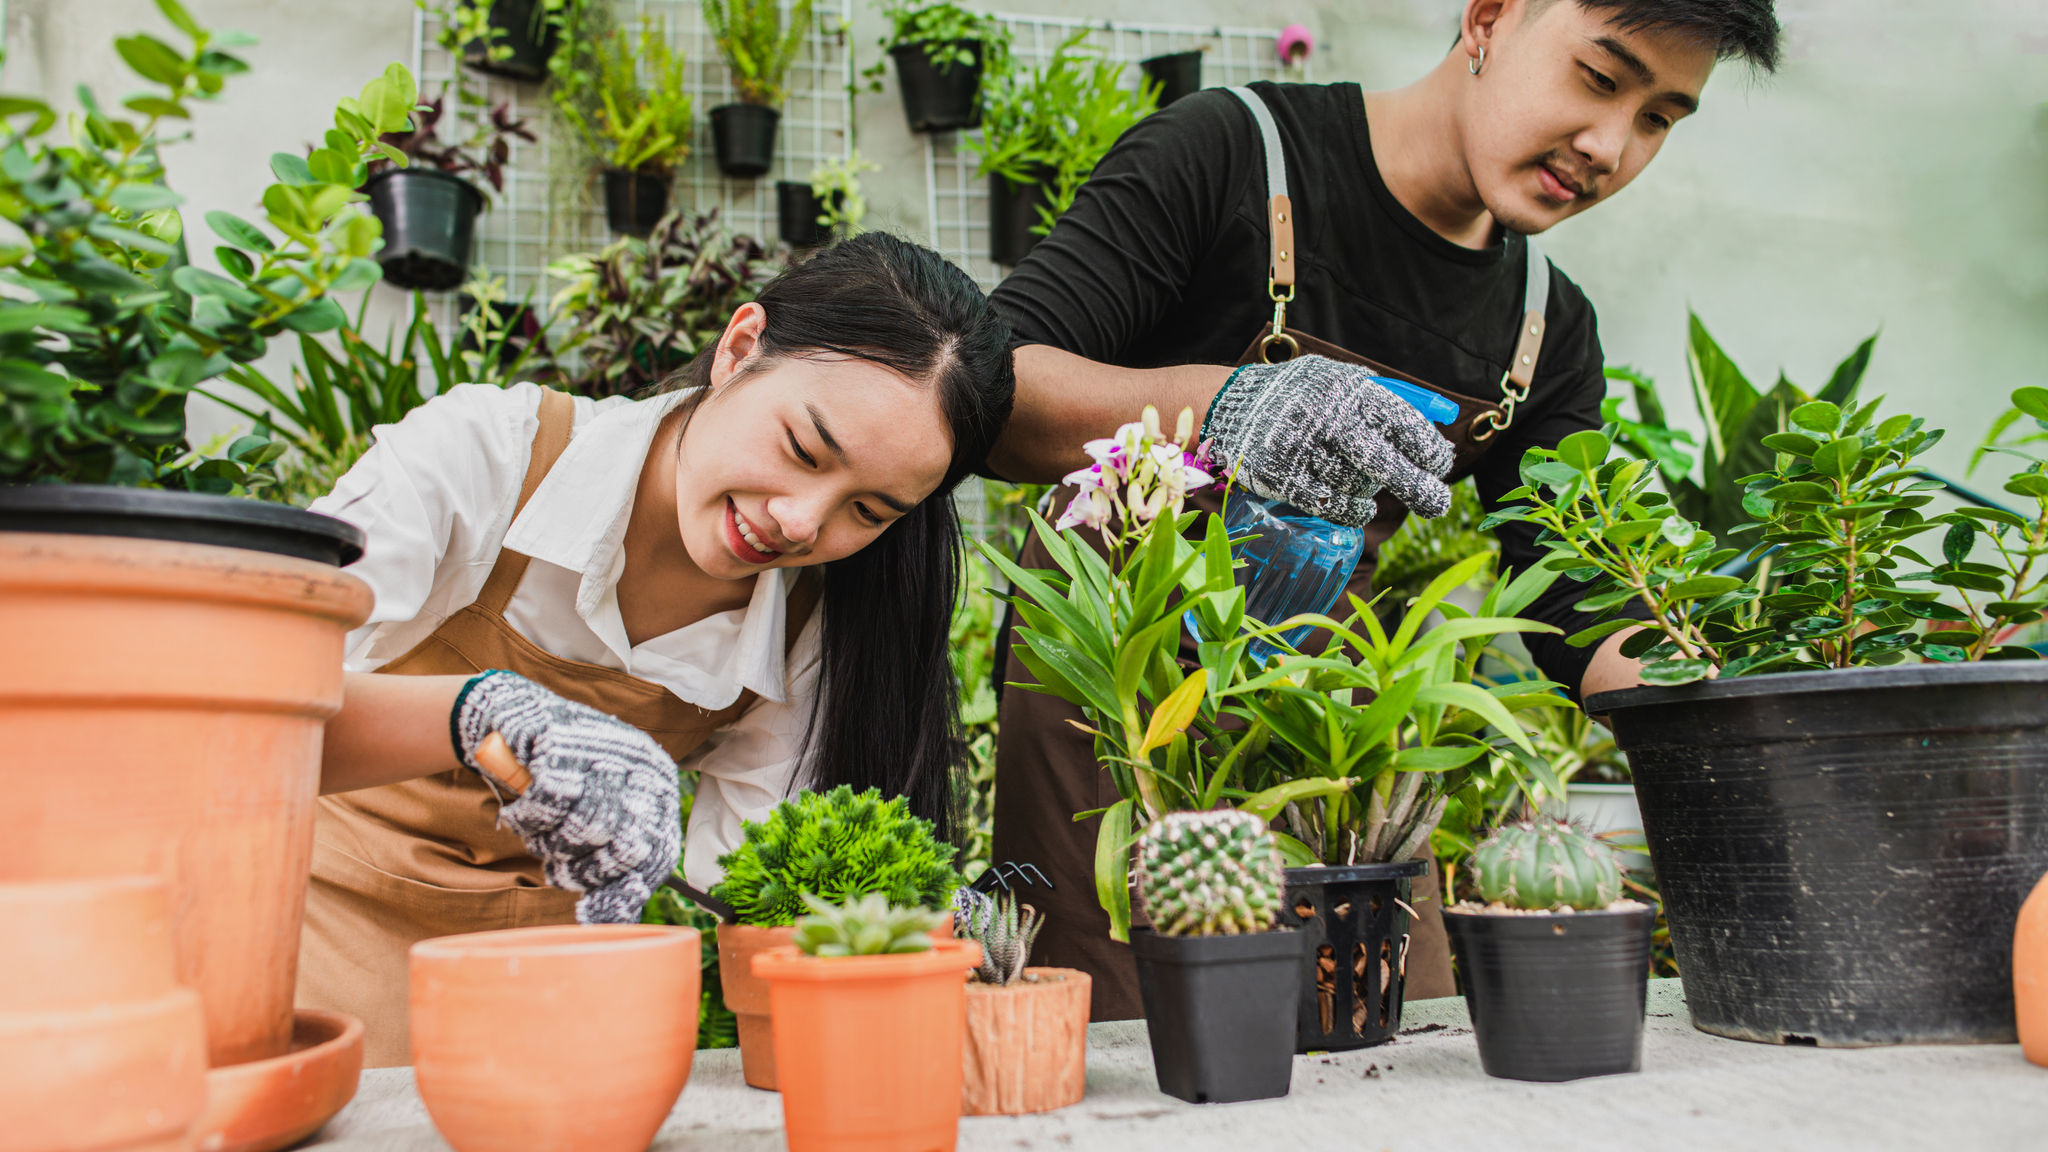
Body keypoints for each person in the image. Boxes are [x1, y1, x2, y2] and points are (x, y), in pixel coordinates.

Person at [981, 0, 1783, 1018]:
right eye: (1597, 78)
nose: (1607, 146)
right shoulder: (1232, 154)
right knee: (1131, 1045)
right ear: (1488, 17)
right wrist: (1228, 405)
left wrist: (1746, 716)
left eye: (1658, 118)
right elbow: (996, 387)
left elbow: (1578, 604)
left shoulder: (1543, 325)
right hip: (1113, 689)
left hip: (1322, 701)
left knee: (1379, 1022)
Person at [297, 234, 1015, 1066]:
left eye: (870, 511)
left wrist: (898, 925)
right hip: (316, 930)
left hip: (545, 987)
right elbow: (247, 716)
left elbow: (746, 872)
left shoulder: (807, 621)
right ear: (741, 349)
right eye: (805, 450)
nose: (804, 522)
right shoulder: (486, 457)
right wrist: (474, 716)